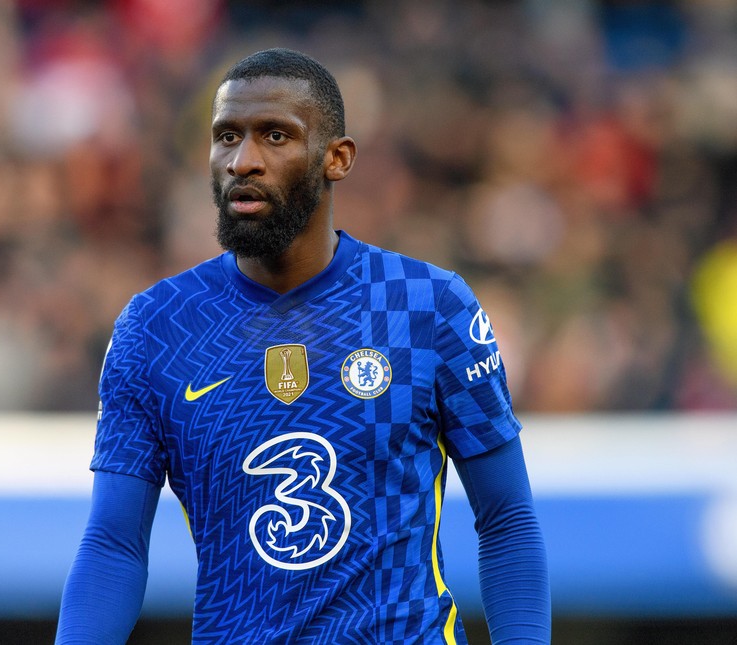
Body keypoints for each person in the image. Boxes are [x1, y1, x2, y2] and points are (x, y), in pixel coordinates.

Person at [56, 48, 550, 644]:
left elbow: (507, 521)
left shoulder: (427, 305)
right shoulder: (156, 327)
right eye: (226, 137)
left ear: (336, 158)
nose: (244, 161)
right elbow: (113, 544)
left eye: (274, 136)